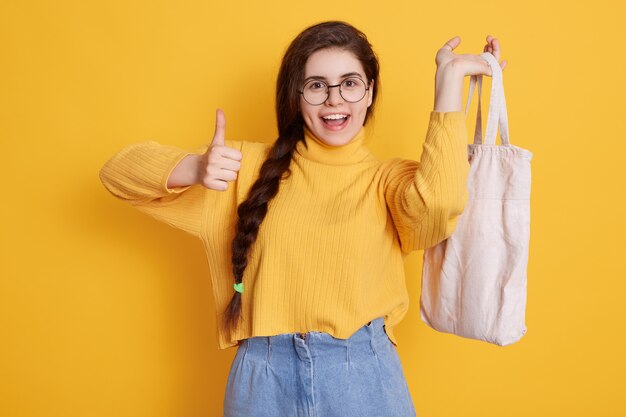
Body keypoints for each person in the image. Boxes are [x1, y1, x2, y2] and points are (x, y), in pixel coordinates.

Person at [99, 20, 506, 417]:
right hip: (261, 383)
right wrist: (194, 167)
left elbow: (440, 205)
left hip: (361, 378)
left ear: (369, 93)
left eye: (349, 83)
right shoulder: (245, 169)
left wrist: (448, 88)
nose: (334, 99)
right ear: (296, 97)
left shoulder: (388, 181)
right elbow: (117, 174)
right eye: (316, 86)